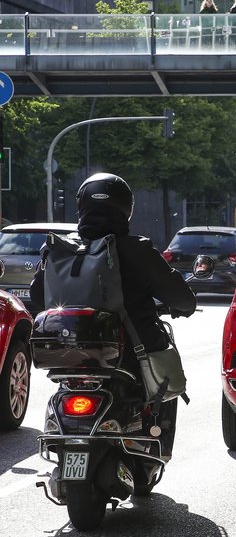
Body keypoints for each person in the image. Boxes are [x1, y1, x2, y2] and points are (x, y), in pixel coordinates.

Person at [30, 173, 197, 456]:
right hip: (132, 351)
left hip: (65, 353)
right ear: (125, 207)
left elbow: (36, 298)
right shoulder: (137, 248)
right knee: (165, 381)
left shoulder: (59, 249)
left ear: (81, 206)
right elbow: (181, 299)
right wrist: (183, 306)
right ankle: (156, 443)